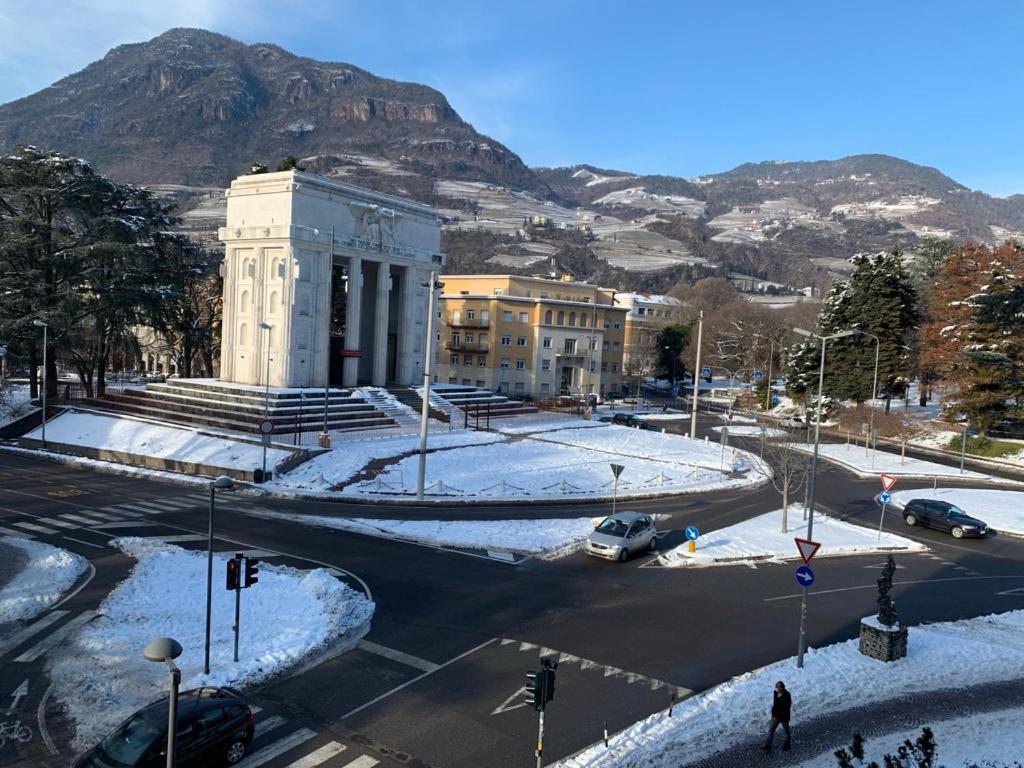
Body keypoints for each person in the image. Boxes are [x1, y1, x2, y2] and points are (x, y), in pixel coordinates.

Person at [762, 680, 792, 752]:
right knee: (770, 731)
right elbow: (774, 706)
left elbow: (786, 707)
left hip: (783, 717)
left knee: (786, 732)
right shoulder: (775, 694)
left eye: (779, 687)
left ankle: (787, 745)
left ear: (783, 687)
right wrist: (774, 715)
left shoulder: (787, 695)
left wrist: (777, 716)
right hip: (775, 717)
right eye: (777, 687)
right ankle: (768, 746)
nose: (778, 689)